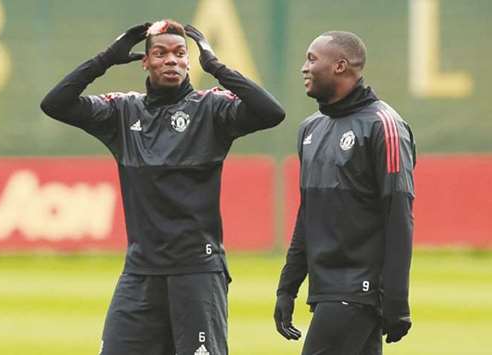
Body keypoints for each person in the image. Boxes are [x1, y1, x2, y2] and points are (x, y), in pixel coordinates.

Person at [41, 19, 285, 355]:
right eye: (160, 53)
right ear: (145, 61)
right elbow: (55, 104)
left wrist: (216, 66)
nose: (171, 60)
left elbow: (271, 112)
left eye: (179, 53)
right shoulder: (122, 112)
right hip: (141, 272)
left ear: (188, 60)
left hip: (197, 271)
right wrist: (106, 59)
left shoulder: (211, 108)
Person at [273, 31, 416, 355]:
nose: (303, 68)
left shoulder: (384, 125)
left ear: (340, 66)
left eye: (311, 59)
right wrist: (288, 287)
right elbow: (307, 214)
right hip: (326, 291)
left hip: (358, 290)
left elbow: (399, 217)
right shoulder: (310, 129)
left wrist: (396, 300)